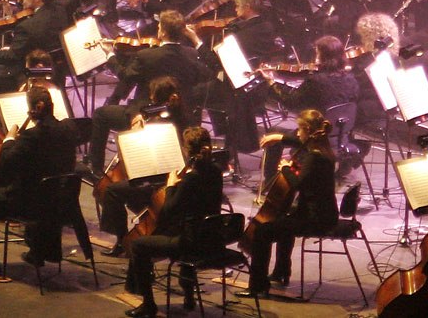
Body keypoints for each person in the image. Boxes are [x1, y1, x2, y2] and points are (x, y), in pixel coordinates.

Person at [0, 85, 79, 278]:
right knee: (40, 185)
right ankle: (38, 252)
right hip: (60, 200)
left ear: (37, 107)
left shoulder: (31, 137)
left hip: (30, 204)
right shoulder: (68, 129)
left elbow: (7, 162)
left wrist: (9, 140)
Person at [123, 126, 227, 318]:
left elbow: (167, 211)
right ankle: (189, 296)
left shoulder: (190, 178)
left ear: (187, 150)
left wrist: (171, 186)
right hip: (212, 238)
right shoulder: (215, 172)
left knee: (137, 245)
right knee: (183, 228)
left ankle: (148, 304)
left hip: (191, 243)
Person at [241, 108, 338, 299]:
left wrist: (285, 168)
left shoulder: (313, 156)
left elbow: (298, 184)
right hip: (325, 213)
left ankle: (257, 285)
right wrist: (279, 137)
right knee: (285, 220)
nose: (298, 134)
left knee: (262, 232)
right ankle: (281, 272)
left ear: (308, 130)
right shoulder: (323, 149)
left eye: (299, 129)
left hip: (316, 218)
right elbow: (301, 142)